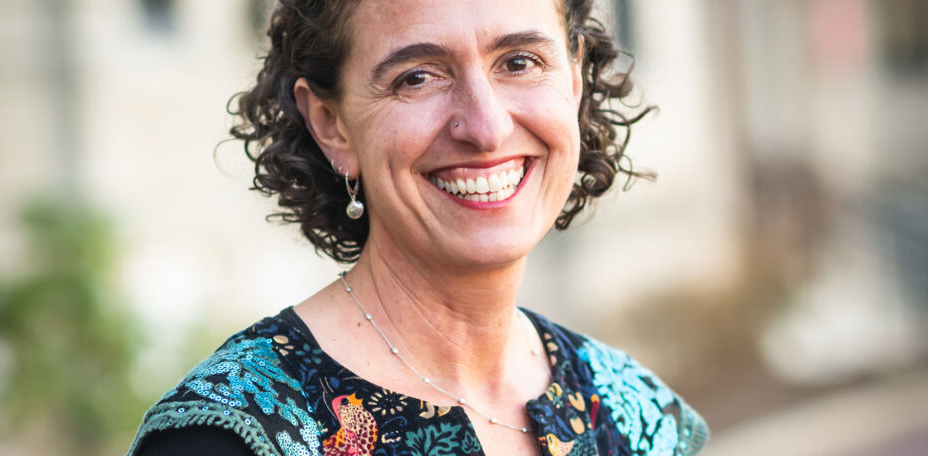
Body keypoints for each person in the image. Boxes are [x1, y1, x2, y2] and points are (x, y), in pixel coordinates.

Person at [128, 0, 709, 455]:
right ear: (332, 125)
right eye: (417, 77)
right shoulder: (230, 437)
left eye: (519, 62)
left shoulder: (631, 414)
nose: (485, 126)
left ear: (575, 81)